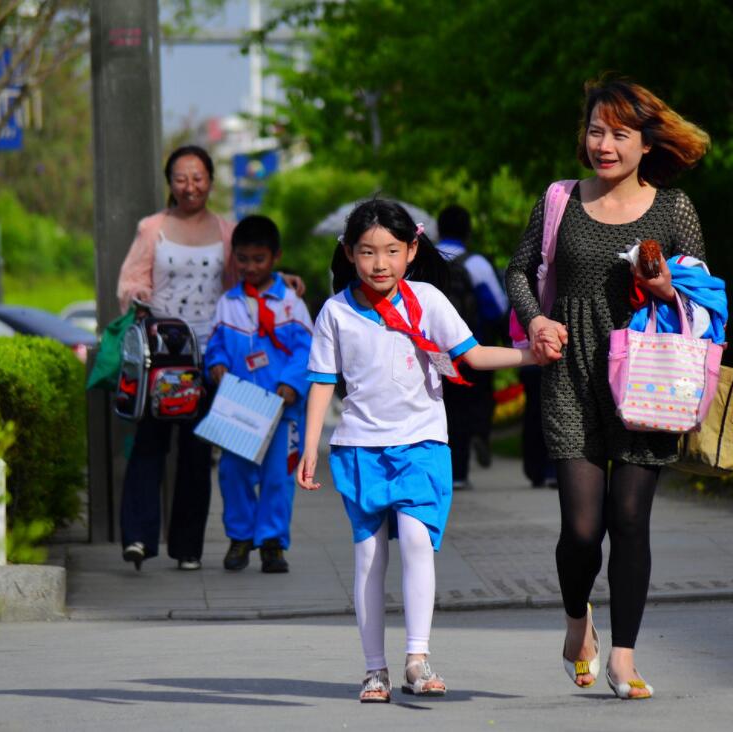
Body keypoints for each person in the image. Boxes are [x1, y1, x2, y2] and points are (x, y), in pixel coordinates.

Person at [505, 77, 711, 699]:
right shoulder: (560, 199)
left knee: (629, 518)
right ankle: (578, 622)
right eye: (596, 130)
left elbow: (706, 294)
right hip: (571, 375)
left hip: (648, 375)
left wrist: (665, 289)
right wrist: (536, 321)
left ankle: (623, 657)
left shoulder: (674, 210)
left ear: (646, 143)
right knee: (581, 529)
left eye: (620, 134)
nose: (605, 145)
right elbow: (519, 271)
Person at [296, 199, 547, 703]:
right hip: (360, 448)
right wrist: (309, 448)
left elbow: (472, 355)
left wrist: (531, 355)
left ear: (412, 250)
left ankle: (417, 658)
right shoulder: (335, 312)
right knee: (369, 557)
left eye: (392, 250)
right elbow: (322, 382)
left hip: (422, 443)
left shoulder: (429, 299)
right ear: (348, 253)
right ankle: (374, 670)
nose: (380, 263)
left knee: (415, 541)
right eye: (367, 252)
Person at [116, 145, 305, 572]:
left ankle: (188, 549)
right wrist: (138, 294)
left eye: (198, 178)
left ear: (211, 181)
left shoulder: (227, 230)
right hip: (162, 357)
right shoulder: (152, 228)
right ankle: (139, 538)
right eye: (181, 178)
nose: (190, 186)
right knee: (149, 444)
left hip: (211, 355)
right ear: (170, 183)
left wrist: (284, 279)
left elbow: (252, 273)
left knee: (198, 452)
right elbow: (129, 281)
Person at [205, 215, 313, 574]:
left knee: (278, 476)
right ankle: (240, 537)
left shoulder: (292, 302)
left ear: (276, 257)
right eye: (242, 259)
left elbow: (306, 348)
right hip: (239, 405)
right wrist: (217, 364)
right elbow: (216, 344)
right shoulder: (228, 303)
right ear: (233, 257)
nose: (250, 267)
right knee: (232, 473)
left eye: (259, 259)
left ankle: (272, 543)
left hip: (282, 407)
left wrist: (292, 383)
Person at [435, 205, 509, 489]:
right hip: (470, 348)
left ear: (439, 229)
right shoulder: (476, 264)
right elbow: (497, 307)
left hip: (435, 352)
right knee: (473, 402)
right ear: (467, 231)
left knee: (446, 405)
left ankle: (448, 471)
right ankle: (477, 436)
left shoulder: (424, 260)